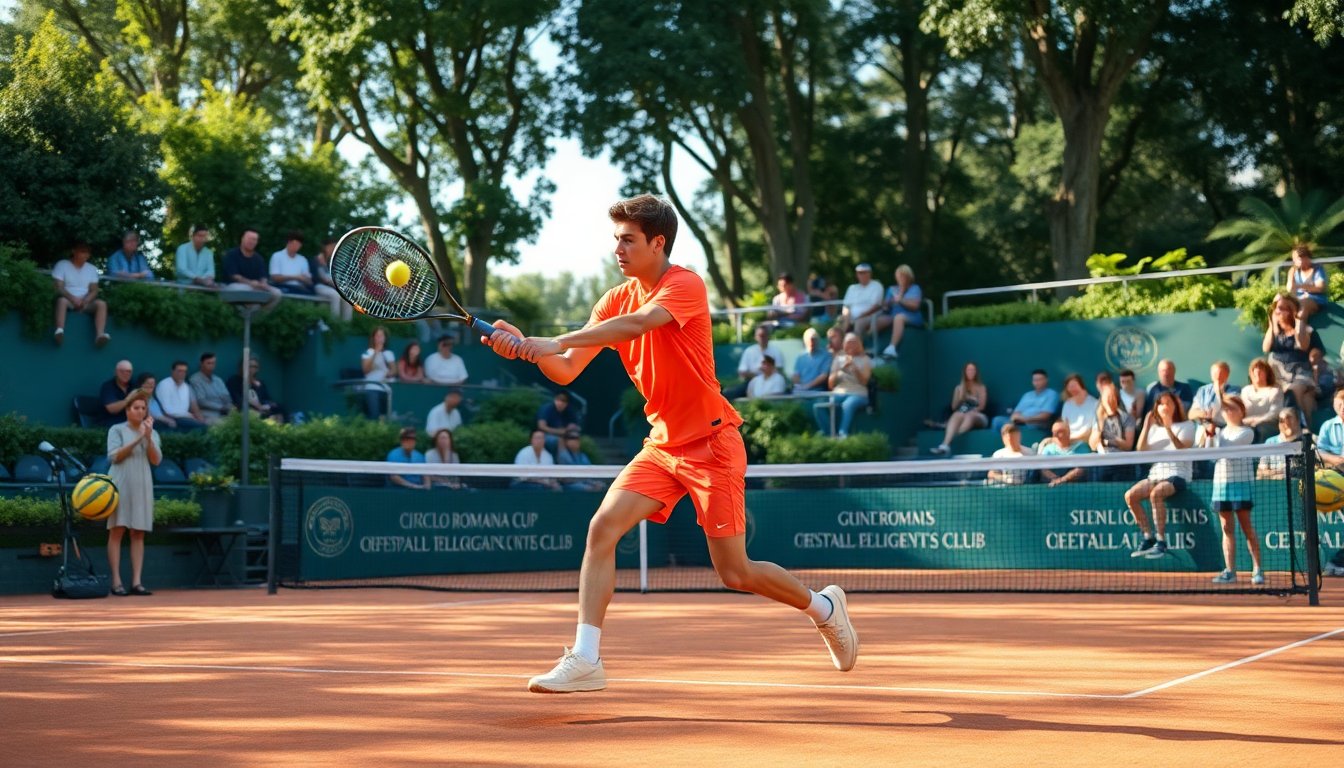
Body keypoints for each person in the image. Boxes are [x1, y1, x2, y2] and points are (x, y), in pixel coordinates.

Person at [487, 193, 857, 693]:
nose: (617, 248)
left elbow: (640, 324)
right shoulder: (613, 300)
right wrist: (527, 350)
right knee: (602, 528)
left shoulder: (684, 285)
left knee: (735, 571)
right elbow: (568, 369)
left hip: (712, 444)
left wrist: (556, 340)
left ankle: (824, 607)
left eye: (628, 239)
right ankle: (586, 658)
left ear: (657, 243)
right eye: (615, 238)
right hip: (662, 447)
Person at [1197, 395, 1263, 585]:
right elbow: (1210, 455)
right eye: (1226, 409)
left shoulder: (1247, 432)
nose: (1229, 411)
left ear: (1242, 411)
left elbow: (1229, 450)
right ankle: (1230, 571)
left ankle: (1257, 569)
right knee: (1227, 528)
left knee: (1246, 526)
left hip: (1241, 483)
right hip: (1221, 484)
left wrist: (1214, 431)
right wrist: (1209, 433)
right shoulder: (1219, 432)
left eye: (1233, 408)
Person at [1124, 391, 1195, 559]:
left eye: (1168, 403)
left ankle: (1161, 542)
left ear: (1175, 405)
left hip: (1178, 474)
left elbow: (1182, 449)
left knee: (1156, 494)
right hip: (1156, 474)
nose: (1164, 406)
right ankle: (1148, 537)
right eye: (1161, 403)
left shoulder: (1188, 425)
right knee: (1130, 496)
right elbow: (1141, 450)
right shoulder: (1154, 429)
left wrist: (1168, 427)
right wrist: (1147, 425)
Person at [105, 392, 161, 596]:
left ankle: (137, 582)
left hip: (142, 483)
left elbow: (156, 460)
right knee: (117, 530)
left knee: (138, 532)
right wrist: (139, 438)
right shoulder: (116, 429)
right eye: (136, 408)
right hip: (121, 482)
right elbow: (115, 457)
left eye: (143, 408)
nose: (140, 411)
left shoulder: (152, 433)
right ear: (128, 410)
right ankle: (116, 581)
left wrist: (148, 438)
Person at [1263, 292, 1317, 425]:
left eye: (1282, 307)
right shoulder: (1274, 332)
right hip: (1278, 375)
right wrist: (1272, 324)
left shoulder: (1304, 328)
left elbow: (1303, 345)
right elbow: (1266, 348)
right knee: (1306, 399)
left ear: (1291, 310)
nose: (1278, 310)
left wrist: (1298, 321)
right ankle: (1302, 430)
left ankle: (1301, 428)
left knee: (1294, 391)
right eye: (1276, 307)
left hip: (1300, 373)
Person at [52, 241, 110, 347]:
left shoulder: (92, 269)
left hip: (85, 302)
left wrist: (86, 300)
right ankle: (59, 331)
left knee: (101, 304)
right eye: (83, 252)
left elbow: (94, 290)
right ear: (74, 251)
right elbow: (59, 287)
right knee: (61, 301)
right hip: (68, 299)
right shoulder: (62, 265)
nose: (86, 255)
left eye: (87, 252)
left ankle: (100, 335)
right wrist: (73, 298)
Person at [816, 332, 872, 438]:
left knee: (848, 404)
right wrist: (841, 369)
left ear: (859, 344)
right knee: (819, 405)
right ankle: (829, 433)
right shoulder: (838, 359)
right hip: (839, 392)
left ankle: (843, 433)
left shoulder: (866, 360)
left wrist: (854, 368)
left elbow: (865, 382)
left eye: (853, 342)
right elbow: (830, 384)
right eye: (848, 343)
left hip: (859, 393)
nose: (851, 345)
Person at [930, 362, 988, 456]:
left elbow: (982, 407)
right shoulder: (959, 388)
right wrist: (960, 397)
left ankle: (950, 438)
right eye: (969, 370)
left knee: (970, 415)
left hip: (979, 417)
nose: (971, 372)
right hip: (962, 416)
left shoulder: (981, 387)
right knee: (957, 414)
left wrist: (971, 399)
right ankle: (945, 445)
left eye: (973, 370)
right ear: (965, 372)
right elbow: (954, 407)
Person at [222, 228, 282, 310]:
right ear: (242, 239)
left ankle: (257, 317)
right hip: (233, 287)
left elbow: (263, 276)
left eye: (254, 239)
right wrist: (250, 283)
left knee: (277, 293)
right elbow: (234, 276)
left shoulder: (258, 258)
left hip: (255, 288)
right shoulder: (231, 254)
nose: (252, 241)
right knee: (247, 290)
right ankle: (247, 314)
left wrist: (263, 284)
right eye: (249, 238)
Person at [1089, 382, 1136, 479]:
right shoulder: (1097, 419)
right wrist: (1101, 423)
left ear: (1117, 399)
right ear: (1102, 400)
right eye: (1107, 397)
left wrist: (1109, 441)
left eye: (1112, 397)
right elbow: (1093, 445)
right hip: (1102, 463)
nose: (1110, 400)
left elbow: (1128, 445)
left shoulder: (1127, 418)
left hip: (1121, 463)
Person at [877, 265, 924, 359]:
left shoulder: (915, 288)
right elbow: (886, 307)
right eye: (899, 275)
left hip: (912, 316)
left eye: (903, 275)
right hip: (891, 315)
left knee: (899, 317)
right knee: (879, 320)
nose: (900, 278)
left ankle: (892, 348)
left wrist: (900, 299)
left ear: (909, 276)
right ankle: (871, 346)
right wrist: (887, 304)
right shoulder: (891, 289)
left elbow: (915, 306)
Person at [990, 370, 1059, 433]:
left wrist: (1026, 419)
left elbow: (1045, 416)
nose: (1037, 382)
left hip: (1036, 424)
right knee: (997, 420)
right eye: (1035, 380)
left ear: (1046, 380)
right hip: (1019, 423)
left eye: (1040, 379)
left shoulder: (1052, 394)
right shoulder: (1027, 395)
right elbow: (1016, 412)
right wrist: (1016, 418)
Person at [727, 324, 785, 399]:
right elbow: (742, 372)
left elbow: (778, 370)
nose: (762, 338)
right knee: (729, 393)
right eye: (759, 335)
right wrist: (759, 375)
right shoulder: (749, 351)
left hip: (771, 381)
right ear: (755, 337)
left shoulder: (776, 351)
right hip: (750, 382)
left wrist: (764, 374)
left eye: (764, 335)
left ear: (768, 336)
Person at [153, 360, 206, 432]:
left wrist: (200, 418)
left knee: (206, 424)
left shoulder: (186, 386)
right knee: (201, 427)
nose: (182, 373)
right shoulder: (164, 385)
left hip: (186, 417)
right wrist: (188, 415)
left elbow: (194, 405)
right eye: (179, 371)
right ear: (172, 371)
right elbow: (167, 411)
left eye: (184, 371)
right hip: (172, 418)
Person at [1037, 418, 1091, 487]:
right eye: (1054, 432)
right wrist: (1055, 478)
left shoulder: (1082, 447)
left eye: (1059, 431)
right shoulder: (1048, 449)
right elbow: (1043, 468)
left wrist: (1063, 479)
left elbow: (1081, 468)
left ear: (1068, 432)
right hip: (1052, 485)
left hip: (1077, 486)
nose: (1055, 435)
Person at [228, 358, 284, 422]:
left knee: (280, 410)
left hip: (262, 409)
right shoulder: (234, 381)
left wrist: (270, 405)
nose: (253, 369)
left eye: (256, 367)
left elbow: (267, 399)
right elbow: (237, 400)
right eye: (251, 366)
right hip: (244, 410)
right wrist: (258, 408)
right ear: (243, 367)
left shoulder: (260, 383)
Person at [1242, 359, 1284, 442]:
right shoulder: (1245, 391)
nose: (1257, 374)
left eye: (1260, 372)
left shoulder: (1275, 391)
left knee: (1259, 429)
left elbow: (1274, 414)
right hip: (1246, 424)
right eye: (1254, 372)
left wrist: (1256, 420)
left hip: (1267, 425)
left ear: (1267, 374)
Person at [311, 237, 352, 320]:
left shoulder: (331, 261)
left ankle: (346, 324)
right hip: (319, 286)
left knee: (347, 297)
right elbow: (323, 278)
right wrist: (337, 286)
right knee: (335, 295)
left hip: (331, 287)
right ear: (325, 247)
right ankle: (334, 322)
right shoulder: (318, 259)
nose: (333, 249)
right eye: (332, 246)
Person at [1188, 361, 1239, 428]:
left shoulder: (1234, 390)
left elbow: (1229, 410)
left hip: (1224, 428)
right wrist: (1202, 414)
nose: (1218, 376)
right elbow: (1191, 414)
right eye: (1215, 373)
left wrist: (1218, 392)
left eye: (1221, 373)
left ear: (1227, 375)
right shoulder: (1203, 390)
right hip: (1204, 427)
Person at [361, 326, 397, 419]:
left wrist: (389, 373)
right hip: (371, 388)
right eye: (377, 336)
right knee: (374, 416)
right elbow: (365, 370)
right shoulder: (367, 353)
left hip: (386, 389)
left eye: (382, 336)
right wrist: (376, 352)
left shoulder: (389, 353)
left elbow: (394, 370)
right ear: (373, 338)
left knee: (386, 417)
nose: (379, 338)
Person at [839, 263, 884, 337]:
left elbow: (876, 306)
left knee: (859, 323)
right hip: (851, 317)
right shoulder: (852, 288)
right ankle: (839, 345)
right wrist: (846, 316)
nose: (862, 275)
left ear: (870, 273)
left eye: (864, 272)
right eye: (859, 273)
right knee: (840, 322)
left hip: (870, 316)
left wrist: (860, 316)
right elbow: (846, 306)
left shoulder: (877, 286)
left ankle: (857, 346)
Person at [190, 352, 234, 425]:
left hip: (225, 412)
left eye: (213, 363)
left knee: (241, 421)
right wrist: (221, 407)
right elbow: (201, 401)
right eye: (208, 363)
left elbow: (227, 397)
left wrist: (229, 406)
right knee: (225, 424)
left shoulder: (218, 380)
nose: (211, 365)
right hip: (207, 414)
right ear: (201, 364)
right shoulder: (195, 379)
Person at [1257, 408, 1302, 479]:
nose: (1285, 422)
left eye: (1289, 418)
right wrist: (1280, 473)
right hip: (1277, 485)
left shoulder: (1308, 441)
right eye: (1281, 420)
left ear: (1298, 421)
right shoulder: (1269, 442)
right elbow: (1261, 472)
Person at [1286, 243, 1328, 319]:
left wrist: (1300, 286)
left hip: (1315, 300)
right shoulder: (1294, 271)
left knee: (1303, 304)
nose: (1294, 261)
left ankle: (1300, 329)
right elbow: (1289, 289)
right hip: (1298, 299)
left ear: (1305, 257)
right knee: (1278, 299)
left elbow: (1320, 288)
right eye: (1293, 259)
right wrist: (1291, 273)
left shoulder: (1317, 269)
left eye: (1296, 258)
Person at [557, 427, 605, 492]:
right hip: (569, 485)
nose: (576, 441)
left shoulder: (583, 455)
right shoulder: (563, 455)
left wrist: (594, 483)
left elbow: (589, 472)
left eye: (577, 438)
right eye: (572, 438)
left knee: (601, 485)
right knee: (588, 489)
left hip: (585, 482)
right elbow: (565, 479)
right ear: (566, 441)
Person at [268, 230, 315, 295]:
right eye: (295, 244)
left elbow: (308, 281)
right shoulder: (277, 256)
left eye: (299, 244)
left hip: (299, 288)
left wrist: (306, 279)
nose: (297, 246)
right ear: (289, 242)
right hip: (281, 287)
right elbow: (275, 278)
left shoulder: (303, 260)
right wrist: (296, 277)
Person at [791, 327, 833, 393]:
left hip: (818, 391)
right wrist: (799, 386)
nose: (811, 342)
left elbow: (824, 376)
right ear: (805, 341)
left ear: (818, 341)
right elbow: (796, 374)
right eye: (809, 340)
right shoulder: (801, 356)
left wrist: (807, 386)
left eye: (814, 339)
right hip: (801, 390)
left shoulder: (826, 356)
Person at [99, 359, 140, 425]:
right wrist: (129, 398)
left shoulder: (134, 385)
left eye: (128, 371)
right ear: (115, 372)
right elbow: (112, 409)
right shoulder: (108, 386)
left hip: (131, 421)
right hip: (110, 421)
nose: (125, 374)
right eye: (121, 371)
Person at [1059, 373, 1099, 441]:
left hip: (1084, 441)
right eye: (1070, 386)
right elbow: (1064, 425)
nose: (1072, 389)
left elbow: (1091, 430)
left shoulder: (1094, 403)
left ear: (1081, 386)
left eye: (1074, 385)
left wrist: (1071, 438)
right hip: (1068, 440)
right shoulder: (1067, 404)